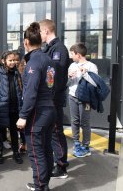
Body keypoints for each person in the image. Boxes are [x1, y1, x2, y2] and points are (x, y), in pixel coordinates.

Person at [16, 22, 56, 191]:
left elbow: (31, 92)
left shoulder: (34, 62)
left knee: (36, 152)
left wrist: (23, 116)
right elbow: (52, 84)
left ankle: (40, 186)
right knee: (46, 149)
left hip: (37, 113)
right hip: (49, 109)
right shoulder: (48, 59)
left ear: (26, 42)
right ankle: (43, 183)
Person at [39, 19, 70, 178]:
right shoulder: (49, 49)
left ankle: (61, 166)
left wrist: (47, 96)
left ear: (45, 31)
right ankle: (56, 162)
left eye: (40, 32)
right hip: (48, 99)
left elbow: (54, 77)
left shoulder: (59, 49)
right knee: (51, 132)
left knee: (57, 132)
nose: (39, 35)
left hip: (53, 99)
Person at [0, 51, 23, 165]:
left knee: (14, 132)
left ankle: (16, 152)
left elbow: (19, 88)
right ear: (4, 61)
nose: (13, 62)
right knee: (0, 133)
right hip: (2, 108)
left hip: (14, 108)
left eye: (14, 60)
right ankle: (0, 153)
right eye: (10, 60)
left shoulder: (16, 72)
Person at [67, 43, 98, 158]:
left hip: (86, 99)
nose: (71, 56)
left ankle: (85, 146)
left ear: (78, 55)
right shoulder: (72, 66)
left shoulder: (91, 66)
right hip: (72, 97)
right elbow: (68, 84)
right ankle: (76, 143)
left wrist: (85, 73)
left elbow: (95, 83)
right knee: (74, 121)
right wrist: (70, 77)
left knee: (85, 122)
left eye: (72, 54)